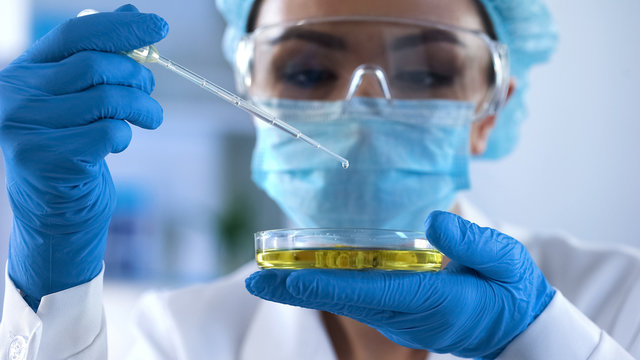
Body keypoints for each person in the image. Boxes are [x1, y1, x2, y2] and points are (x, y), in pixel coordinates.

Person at [0, 0, 638, 359]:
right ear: (253, 102)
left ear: (489, 112)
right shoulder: (178, 338)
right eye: (306, 74)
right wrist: (56, 283)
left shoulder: (617, 299)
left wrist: (535, 343)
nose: (362, 111)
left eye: (426, 74)